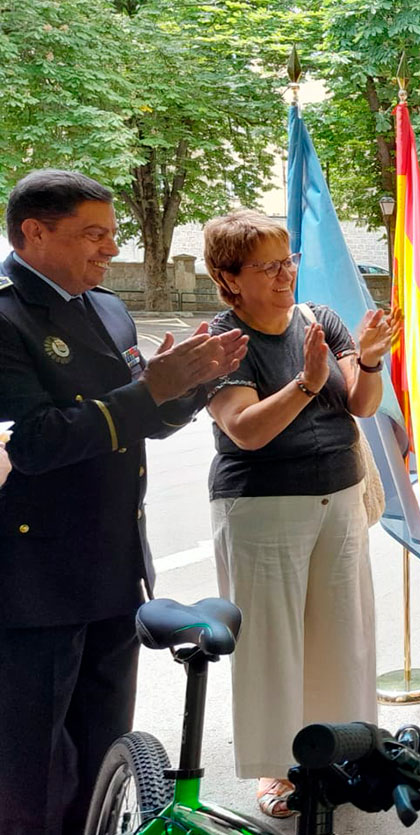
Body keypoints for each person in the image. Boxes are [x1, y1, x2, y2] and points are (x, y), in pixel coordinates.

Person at [0, 169, 247, 833]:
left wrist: (193, 383)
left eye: (113, 234)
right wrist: (149, 391)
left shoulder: (106, 308)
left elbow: (142, 417)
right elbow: (34, 443)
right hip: (36, 582)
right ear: (34, 231)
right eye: (94, 234)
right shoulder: (7, 318)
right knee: (31, 767)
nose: (110, 248)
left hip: (115, 567)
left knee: (107, 749)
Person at [201, 209, 398, 817]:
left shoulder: (320, 318)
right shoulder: (221, 339)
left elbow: (361, 405)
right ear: (229, 278)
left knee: (345, 637)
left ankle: (343, 753)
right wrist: (307, 384)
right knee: (270, 643)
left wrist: (366, 359)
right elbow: (245, 430)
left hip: (338, 497)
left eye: (289, 261)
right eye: (268, 266)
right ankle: (276, 770)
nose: (286, 274)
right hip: (261, 508)